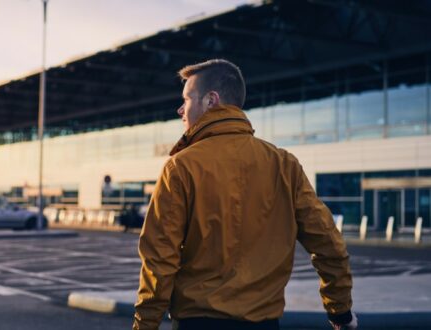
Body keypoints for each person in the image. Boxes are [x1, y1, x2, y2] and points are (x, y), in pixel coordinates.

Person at [133, 59, 356, 330]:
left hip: (198, 322)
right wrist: (339, 311)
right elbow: (328, 243)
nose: (180, 109)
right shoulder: (284, 164)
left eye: (186, 99)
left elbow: (159, 259)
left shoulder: (181, 167)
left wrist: (145, 324)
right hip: (264, 323)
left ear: (210, 100)